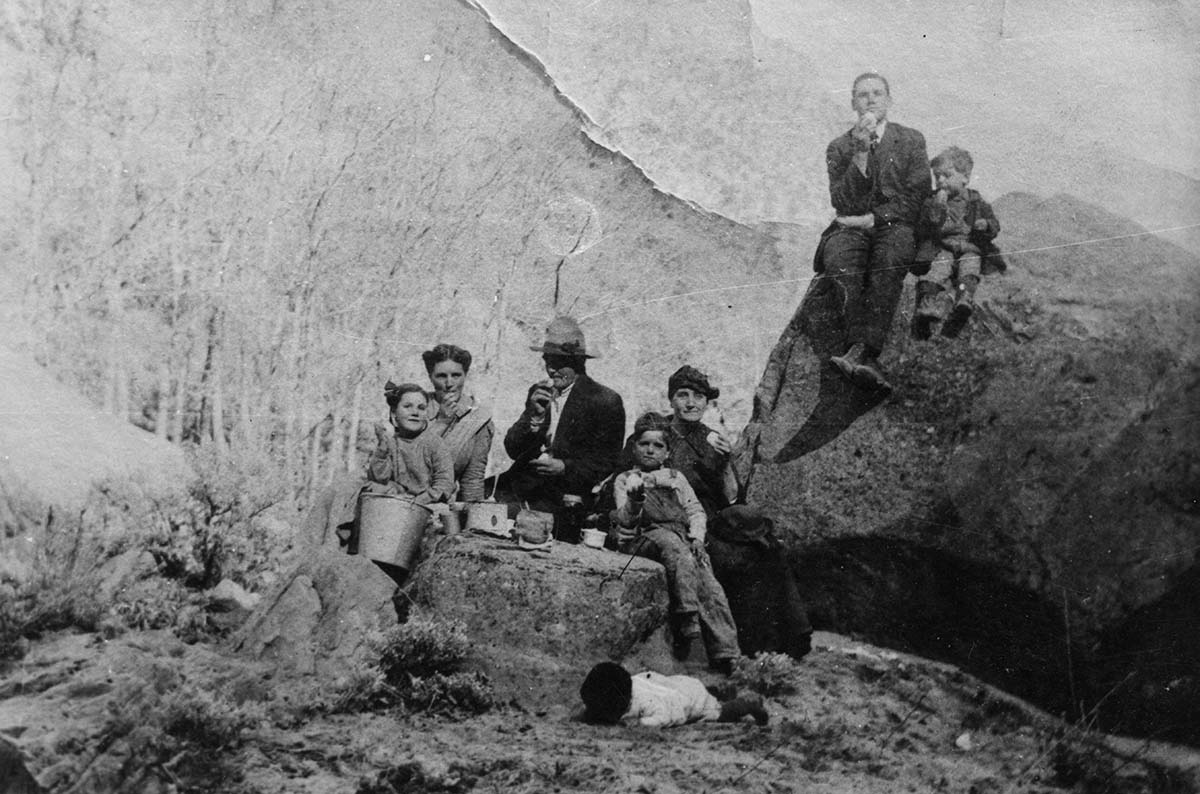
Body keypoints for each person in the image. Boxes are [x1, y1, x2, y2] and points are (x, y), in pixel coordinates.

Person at [659, 366, 814, 660]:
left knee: (769, 548)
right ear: (671, 400)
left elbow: (731, 499)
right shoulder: (658, 433)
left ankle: (795, 636)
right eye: (683, 395)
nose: (691, 403)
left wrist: (726, 461)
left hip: (715, 520)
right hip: (679, 522)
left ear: (707, 403)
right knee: (737, 560)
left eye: (699, 396)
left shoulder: (711, 439)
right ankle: (751, 645)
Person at [814, 72, 931, 392]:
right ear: (853, 103)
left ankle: (869, 352)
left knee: (889, 260)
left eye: (877, 93)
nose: (870, 100)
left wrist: (875, 219)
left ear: (889, 101)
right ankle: (855, 346)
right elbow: (841, 200)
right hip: (850, 227)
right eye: (862, 95)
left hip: (894, 225)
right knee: (839, 260)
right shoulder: (839, 147)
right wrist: (861, 154)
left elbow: (919, 193)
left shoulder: (911, 140)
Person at [613, 412, 741, 674]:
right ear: (634, 447)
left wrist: (696, 537)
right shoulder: (626, 479)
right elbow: (625, 520)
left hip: (681, 537)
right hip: (645, 536)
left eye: (658, 445)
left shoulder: (675, 477)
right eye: (644, 444)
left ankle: (727, 653)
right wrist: (635, 502)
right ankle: (687, 616)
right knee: (673, 547)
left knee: (710, 583)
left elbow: (695, 511)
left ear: (667, 452)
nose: (650, 450)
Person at [498, 316, 626, 520]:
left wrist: (564, 467)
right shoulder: (539, 392)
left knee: (508, 516)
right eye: (548, 361)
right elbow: (513, 449)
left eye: (559, 363)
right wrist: (535, 418)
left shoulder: (604, 400)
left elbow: (608, 461)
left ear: (578, 363)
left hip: (567, 497)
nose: (551, 369)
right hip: (521, 486)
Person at [911, 146, 1005, 339]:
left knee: (969, 269)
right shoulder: (932, 200)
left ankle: (963, 300)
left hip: (970, 247)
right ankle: (926, 308)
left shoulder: (976, 201)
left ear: (965, 178)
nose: (941, 181)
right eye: (937, 176)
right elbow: (924, 228)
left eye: (947, 175)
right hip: (943, 247)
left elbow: (994, 225)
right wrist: (936, 208)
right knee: (936, 272)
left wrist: (985, 225)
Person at [579, 661, 767, 727]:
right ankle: (716, 690)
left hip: (691, 701)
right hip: (680, 684)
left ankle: (745, 705)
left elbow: (667, 717)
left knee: (718, 712)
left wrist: (642, 723)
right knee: (683, 688)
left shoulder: (645, 704)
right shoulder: (631, 683)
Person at [421, 343, 494, 502]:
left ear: (465, 375)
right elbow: (407, 462)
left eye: (456, 375)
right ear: (430, 377)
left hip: (439, 504)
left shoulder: (478, 418)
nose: (449, 383)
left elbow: (472, 481)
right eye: (441, 376)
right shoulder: (417, 407)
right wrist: (442, 422)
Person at [364, 381, 455, 506]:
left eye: (421, 408)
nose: (415, 412)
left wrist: (419, 501)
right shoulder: (391, 443)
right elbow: (379, 479)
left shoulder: (434, 443)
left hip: (428, 506)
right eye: (407, 406)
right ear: (394, 413)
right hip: (396, 505)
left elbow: (445, 483)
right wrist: (382, 448)